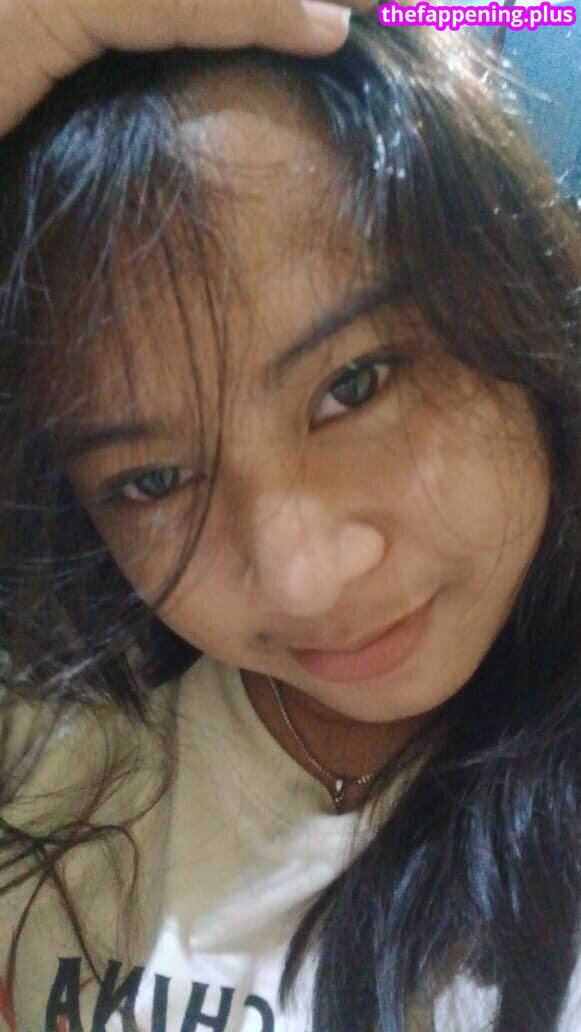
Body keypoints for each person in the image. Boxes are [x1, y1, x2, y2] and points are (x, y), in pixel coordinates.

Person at [0, 12, 580, 1032]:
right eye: (151, 481)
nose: (300, 579)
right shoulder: (58, 734)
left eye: (355, 384)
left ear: (515, 287)